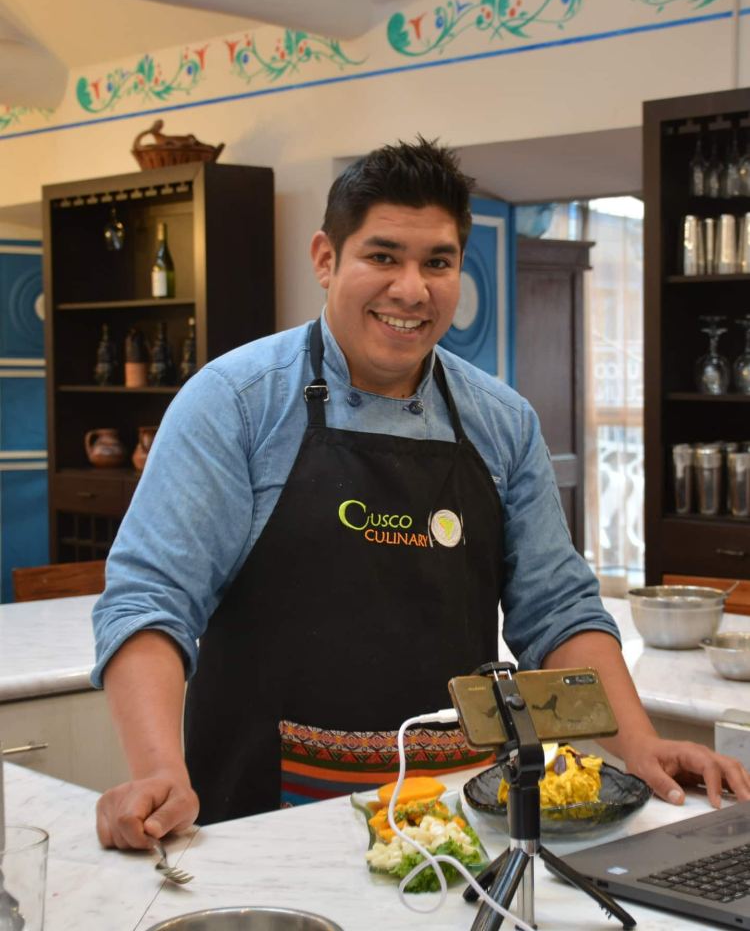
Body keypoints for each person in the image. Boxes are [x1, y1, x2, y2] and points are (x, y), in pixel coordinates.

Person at [93, 138, 750, 850]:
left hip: (456, 818)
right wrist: (158, 769)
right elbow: (150, 600)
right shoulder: (236, 404)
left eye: (437, 262)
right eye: (383, 257)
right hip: (263, 817)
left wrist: (640, 744)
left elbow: (557, 610)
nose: (412, 290)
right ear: (325, 258)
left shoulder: (499, 420)